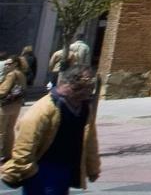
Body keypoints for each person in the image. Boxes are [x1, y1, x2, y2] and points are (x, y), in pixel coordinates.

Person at [0, 64, 100, 195]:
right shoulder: (45, 108)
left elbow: (90, 139)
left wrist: (93, 167)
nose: (89, 92)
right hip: (42, 170)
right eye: (86, 88)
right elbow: (25, 143)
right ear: (71, 85)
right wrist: (24, 169)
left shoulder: (84, 108)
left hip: (65, 169)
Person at [1, 57, 24, 160]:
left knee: (1, 131)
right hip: (16, 104)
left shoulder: (11, 74)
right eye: (6, 63)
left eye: (9, 63)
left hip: (6, 105)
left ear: (16, 64)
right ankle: (7, 153)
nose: (6, 65)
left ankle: (1, 154)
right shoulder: (21, 74)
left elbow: (3, 91)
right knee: (10, 130)